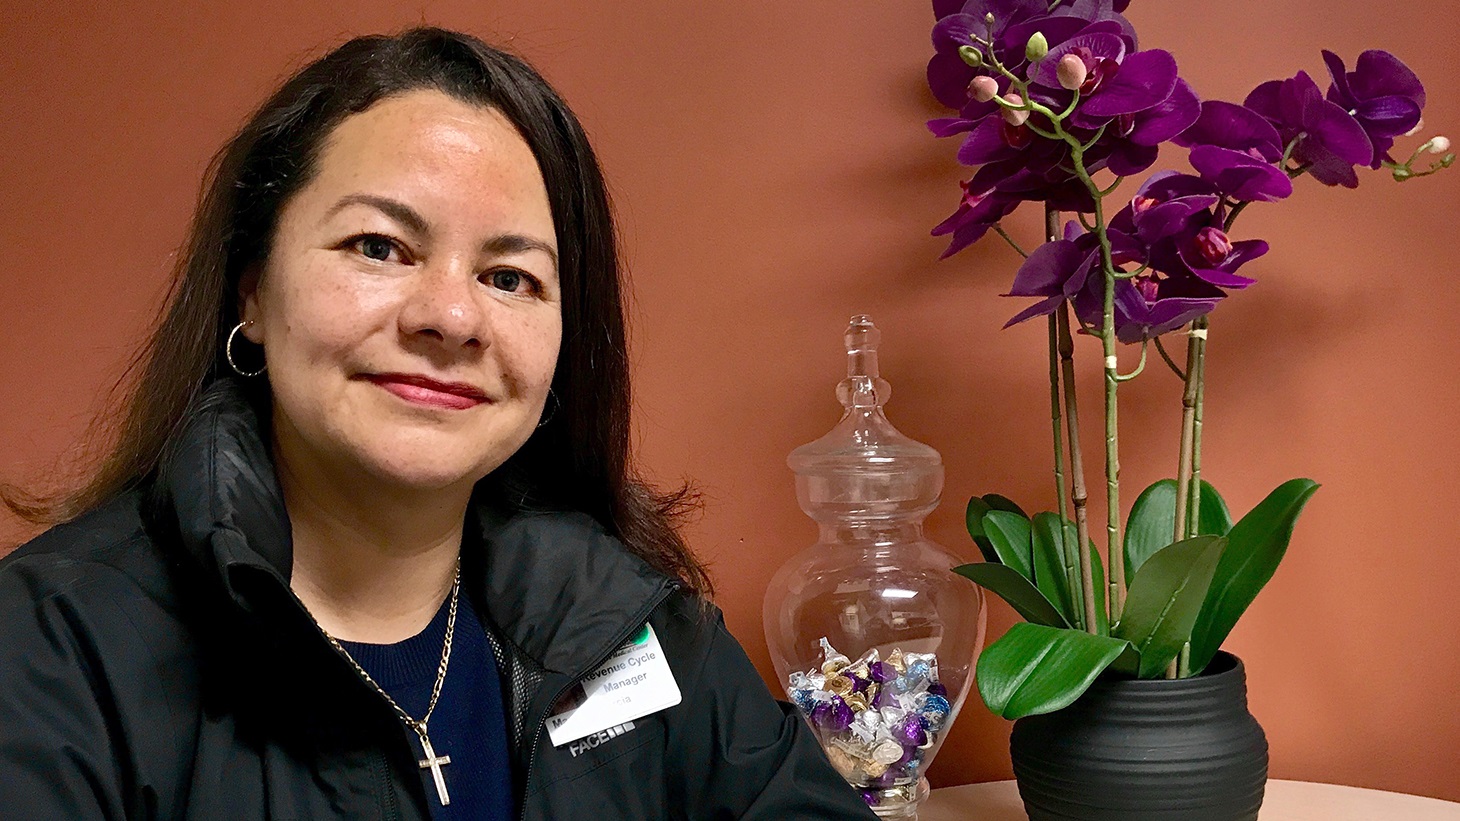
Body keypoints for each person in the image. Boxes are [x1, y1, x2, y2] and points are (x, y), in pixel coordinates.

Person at [0, 28, 875, 820]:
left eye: (510, 277)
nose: (452, 317)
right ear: (253, 289)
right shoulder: (50, 647)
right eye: (379, 246)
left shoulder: (620, 621)